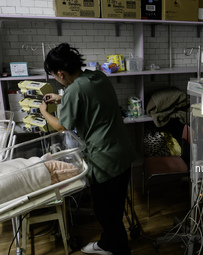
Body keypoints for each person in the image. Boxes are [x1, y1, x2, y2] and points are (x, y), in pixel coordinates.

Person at [40, 43, 137, 255]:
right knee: (115, 207)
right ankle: (106, 244)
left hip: (105, 158)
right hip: (123, 151)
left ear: (60, 73)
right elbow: (88, 98)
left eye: (54, 76)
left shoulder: (74, 90)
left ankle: (120, 250)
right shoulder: (97, 76)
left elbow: (61, 126)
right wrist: (62, 98)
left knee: (104, 212)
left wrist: (44, 111)